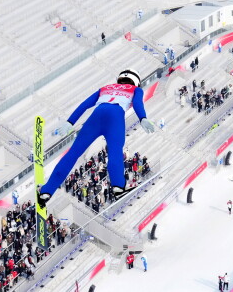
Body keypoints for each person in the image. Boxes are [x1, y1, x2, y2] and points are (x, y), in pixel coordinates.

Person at [38, 69, 155, 207]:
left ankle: (46, 191)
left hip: (96, 115)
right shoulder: (136, 89)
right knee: (115, 151)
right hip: (115, 116)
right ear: (136, 81)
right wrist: (142, 118)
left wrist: (70, 122)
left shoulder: (105, 88)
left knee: (73, 154)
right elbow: (137, 103)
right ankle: (118, 187)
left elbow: (85, 104)